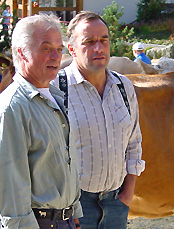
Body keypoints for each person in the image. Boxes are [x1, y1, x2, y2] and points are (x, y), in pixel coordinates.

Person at [52, 11, 145, 229]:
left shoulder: (124, 87)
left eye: (104, 40)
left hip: (116, 203)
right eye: (89, 41)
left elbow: (133, 143)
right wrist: (66, 205)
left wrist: (127, 195)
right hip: (74, 206)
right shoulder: (57, 88)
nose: (98, 47)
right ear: (72, 49)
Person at [0, 14, 82, 229]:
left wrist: (74, 214)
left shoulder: (54, 97)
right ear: (22, 52)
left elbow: (64, 162)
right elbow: (11, 186)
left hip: (63, 221)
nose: (56, 56)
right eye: (46, 48)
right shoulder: (12, 107)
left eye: (59, 49)